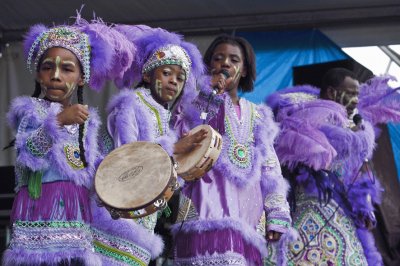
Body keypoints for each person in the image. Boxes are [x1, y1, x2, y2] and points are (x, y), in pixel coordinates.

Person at [2, 18, 134, 265]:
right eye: (48, 67)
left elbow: (92, 169)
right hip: (40, 211)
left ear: (81, 78)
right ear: (39, 74)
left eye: (67, 69)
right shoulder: (30, 110)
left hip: (76, 216)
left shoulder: (88, 121)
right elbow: (27, 155)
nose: (55, 76)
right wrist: (59, 120)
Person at [171, 35, 294, 266]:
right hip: (205, 210)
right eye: (218, 59)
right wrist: (209, 97)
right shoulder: (192, 104)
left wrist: (277, 213)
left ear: (244, 70)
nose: (225, 64)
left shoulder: (258, 115)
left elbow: (270, 169)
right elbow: (182, 138)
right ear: (209, 68)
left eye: (233, 59)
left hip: (249, 215)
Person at [100, 25, 205, 265]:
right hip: (115, 213)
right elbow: (125, 159)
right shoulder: (130, 103)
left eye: (180, 78)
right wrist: (176, 148)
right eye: (167, 73)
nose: (174, 82)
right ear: (147, 76)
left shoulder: (164, 116)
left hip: (142, 217)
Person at [265, 68, 390, 265]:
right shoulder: (305, 115)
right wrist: (355, 138)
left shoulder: (354, 124)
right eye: (351, 93)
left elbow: (360, 172)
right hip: (308, 206)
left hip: (342, 213)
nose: (356, 100)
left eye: (357, 94)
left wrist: (364, 206)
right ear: (332, 92)